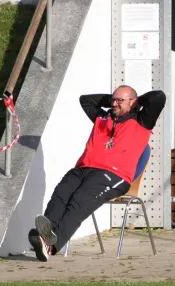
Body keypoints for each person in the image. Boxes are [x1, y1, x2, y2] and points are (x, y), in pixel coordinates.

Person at [28, 85, 167, 261]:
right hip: (83, 168)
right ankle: (45, 235)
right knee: (60, 194)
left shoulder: (142, 120)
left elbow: (158, 97)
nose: (114, 104)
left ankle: (51, 246)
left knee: (79, 201)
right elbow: (85, 100)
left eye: (120, 101)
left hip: (114, 175)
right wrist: (116, 101)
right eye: (113, 100)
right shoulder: (102, 117)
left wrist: (135, 101)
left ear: (133, 102)